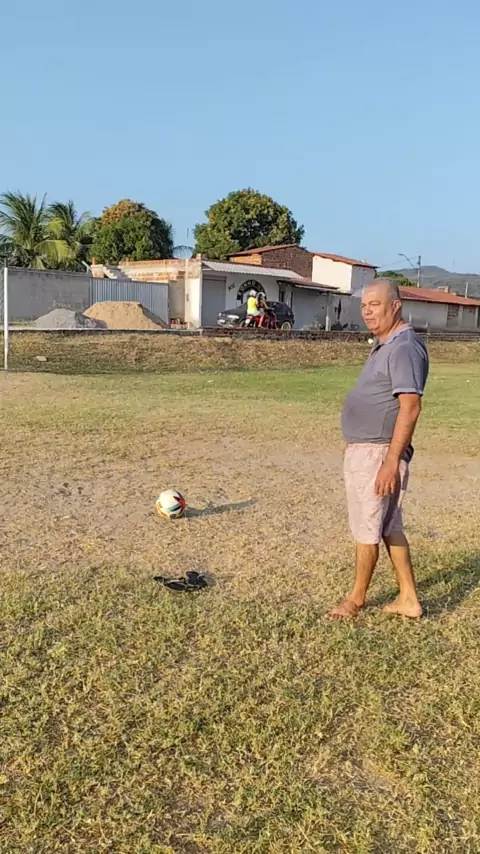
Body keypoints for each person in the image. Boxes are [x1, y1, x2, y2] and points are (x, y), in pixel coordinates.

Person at [329, 278, 429, 620]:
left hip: (379, 455)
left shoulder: (403, 347)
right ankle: (409, 599)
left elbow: (410, 407)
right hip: (369, 450)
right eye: (364, 306)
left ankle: (355, 600)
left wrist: (389, 461)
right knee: (388, 526)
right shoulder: (386, 343)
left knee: (367, 529)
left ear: (396, 306)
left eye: (375, 305)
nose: (367, 312)